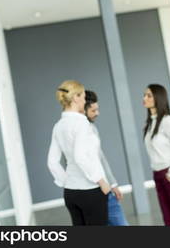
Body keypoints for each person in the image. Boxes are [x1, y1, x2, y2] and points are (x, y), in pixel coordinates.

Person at [47, 80, 110, 225]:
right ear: (75, 97)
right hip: (91, 191)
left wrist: (66, 181)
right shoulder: (81, 123)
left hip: (71, 193)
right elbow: (80, 156)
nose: (84, 100)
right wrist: (101, 181)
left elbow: (52, 162)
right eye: (82, 96)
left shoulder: (58, 126)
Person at [143, 84, 170, 226]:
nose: (144, 98)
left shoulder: (167, 121)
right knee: (168, 218)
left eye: (149, 95)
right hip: (158, 175)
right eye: (145, 95)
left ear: (158, 98)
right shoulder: (150, 124)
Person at [84, 90, 129, 226]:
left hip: (103, 188)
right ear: (83, 109)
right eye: (93, 110)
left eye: (97, 109)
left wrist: (113, 184)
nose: (97, 113)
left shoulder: (92, 128)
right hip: (96, 190)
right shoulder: (79, 131)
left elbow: (100, 157)